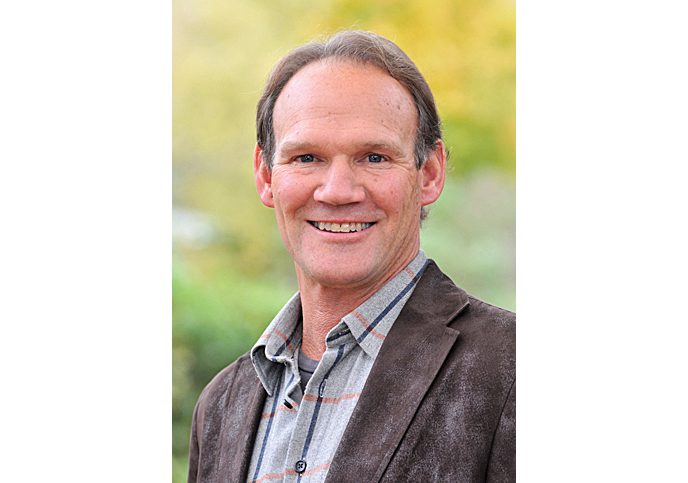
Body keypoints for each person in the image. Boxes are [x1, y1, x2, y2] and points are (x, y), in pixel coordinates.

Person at [187, 30, 515, 483]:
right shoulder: (221, 406)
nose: (337, 191)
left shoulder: (513, 369)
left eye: (374, 157)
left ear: (429, 174)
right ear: (265, 176)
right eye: (307, 158)